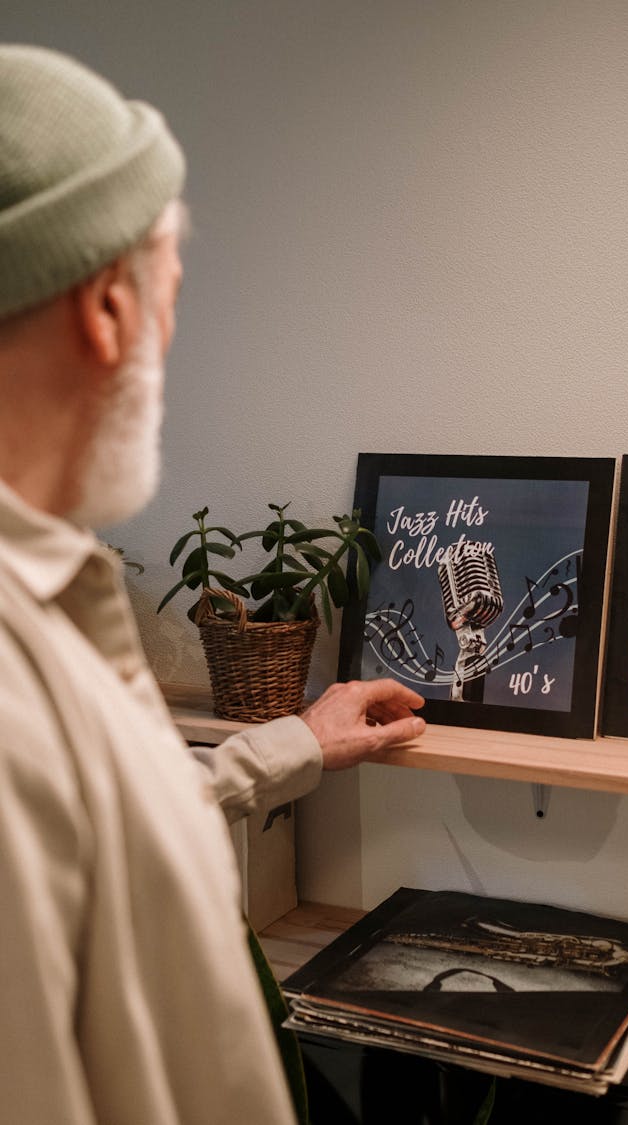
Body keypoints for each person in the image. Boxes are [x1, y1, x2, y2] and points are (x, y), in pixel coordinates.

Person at [0, 44, 426, 1125]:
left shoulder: (45, 608)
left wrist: (295, 744)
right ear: (107, 312)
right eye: (170, 291)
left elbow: (91, 847)